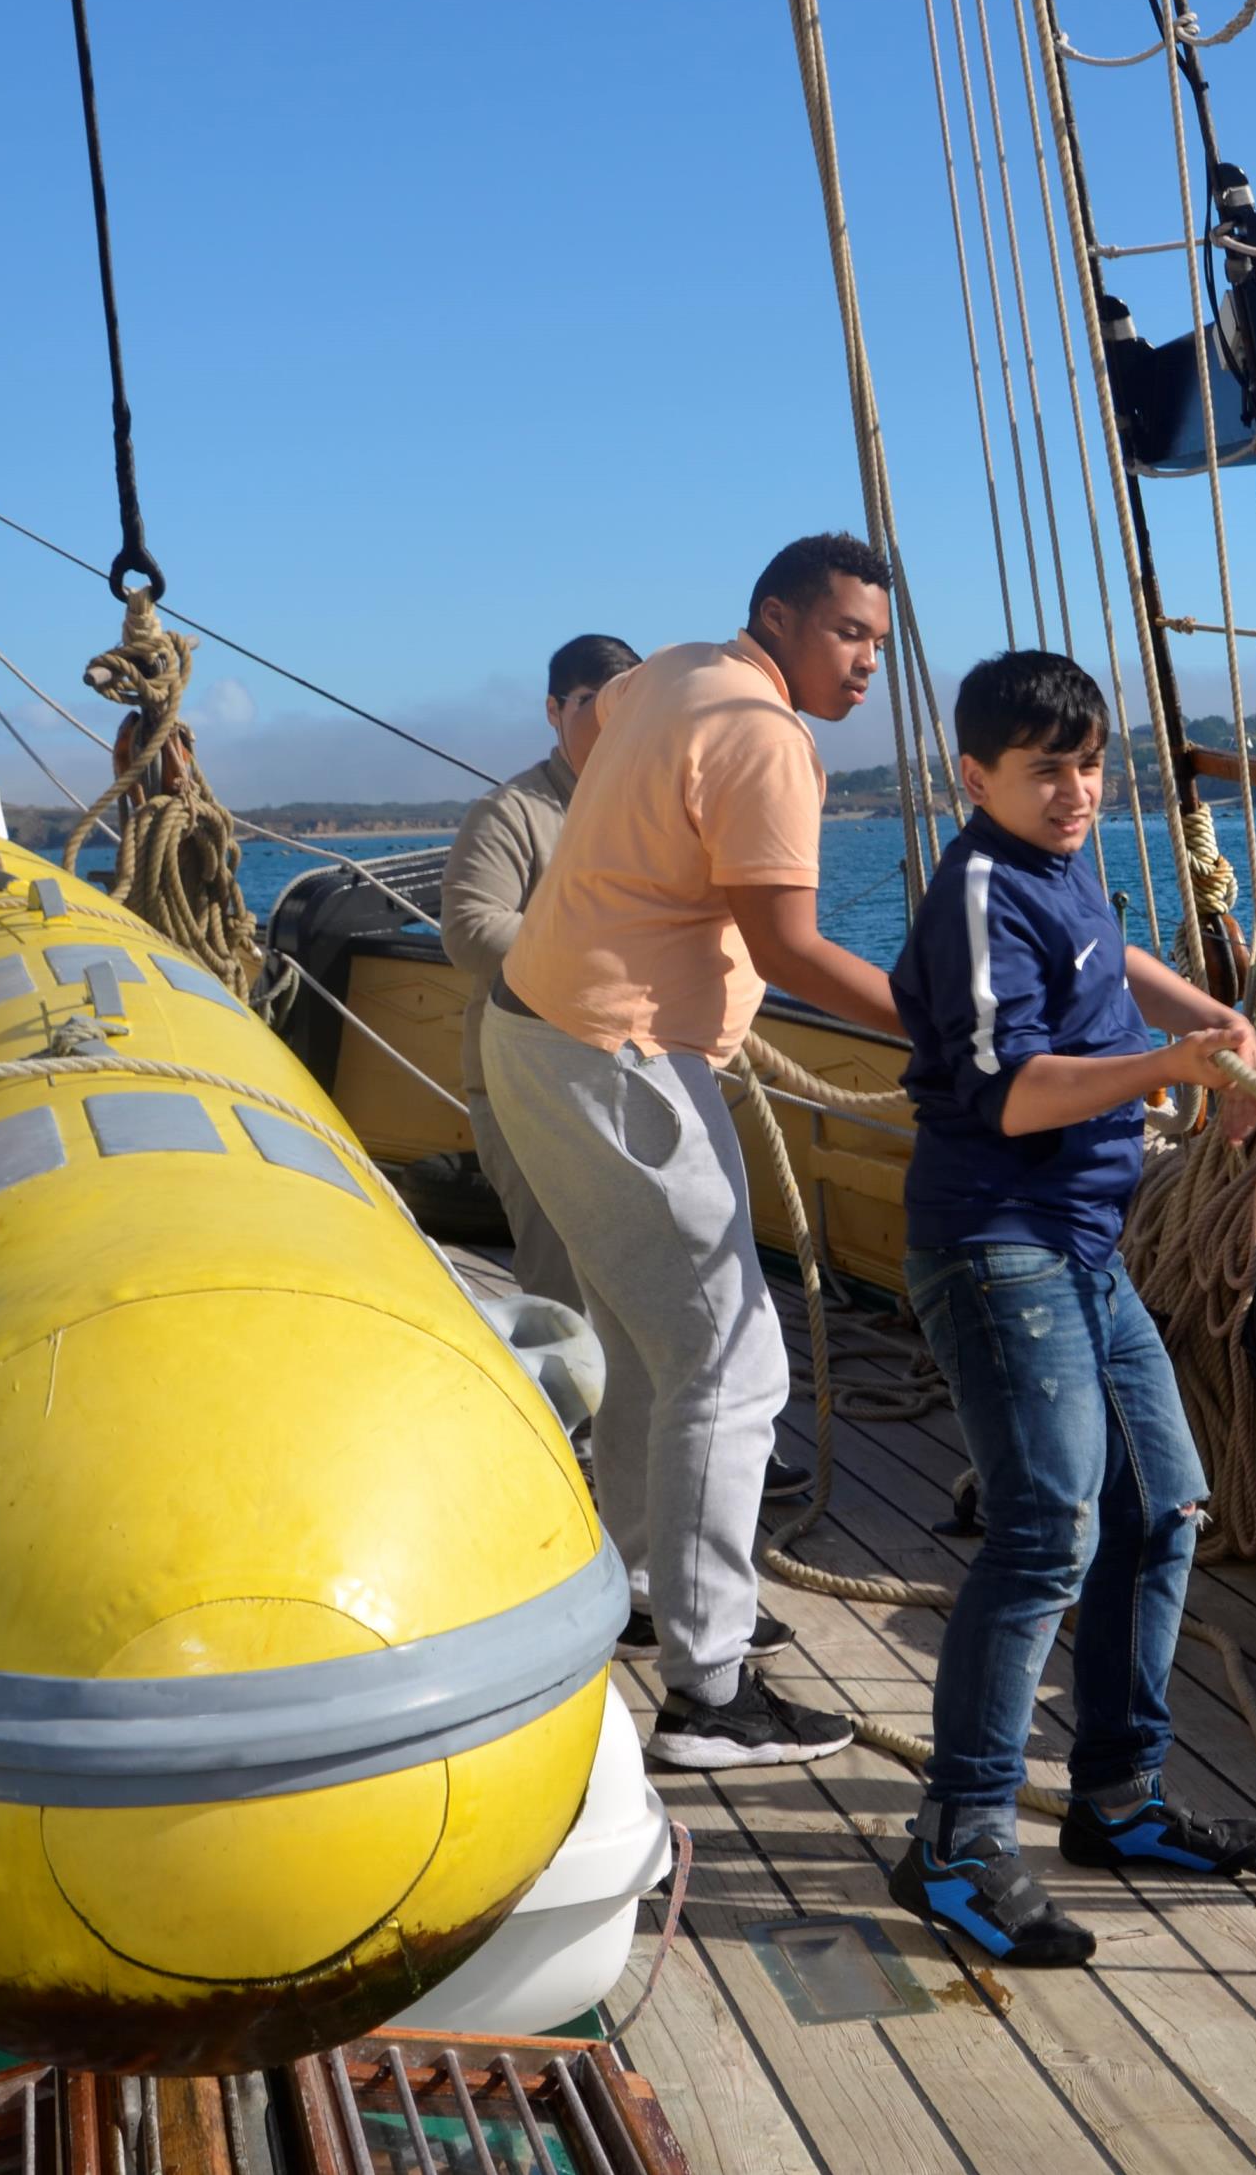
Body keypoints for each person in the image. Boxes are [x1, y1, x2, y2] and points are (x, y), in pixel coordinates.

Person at [485, 532, 903, 1770]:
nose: (867, 660)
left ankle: (642, 1587)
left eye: (878, 640)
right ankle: (710, 1692)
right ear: (776, 618)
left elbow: (600, 731)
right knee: (733, 1363)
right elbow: (793, 952)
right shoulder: (769, 737)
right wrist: (957, 1031)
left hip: (538, 1032)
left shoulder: (667, 670)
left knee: (642, 1339)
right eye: (846, 633)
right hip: (619, 1054)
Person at [882, 649, 1256, 1967]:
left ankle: (1114, 1795)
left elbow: (1109, 952)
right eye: (1046, 767)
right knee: (1047, 1523)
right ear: (973, 774)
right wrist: (1166, 1068)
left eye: (1089, 763)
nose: (1075, 790)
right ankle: (954, 1838)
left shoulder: (1056, 867)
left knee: (1158, 1505)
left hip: (1082, 1247)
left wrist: (1206, 1015)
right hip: (1000, 1246)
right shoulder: (980, 889)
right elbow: (1010, 1092)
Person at [444, 633, 641, 1313]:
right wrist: (605, 953)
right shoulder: (511, 814)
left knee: (638, 1280)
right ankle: (570, 1422)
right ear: (554, 710)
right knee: (564, 1288)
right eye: (593, 702)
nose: (613, 718)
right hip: (528, 1087)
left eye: (629, 700)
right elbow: (470, 930)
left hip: (627, 1077)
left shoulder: (653, 810)